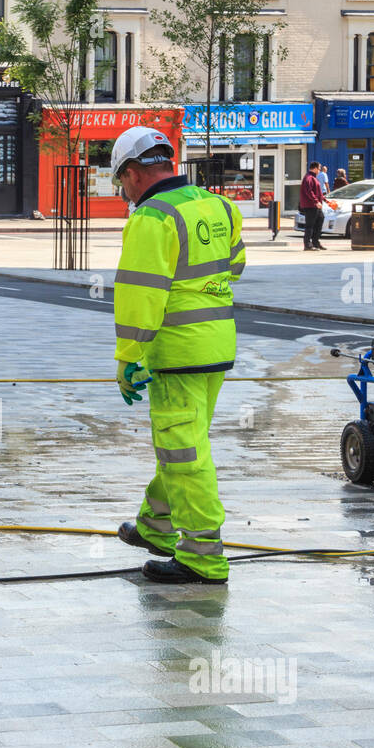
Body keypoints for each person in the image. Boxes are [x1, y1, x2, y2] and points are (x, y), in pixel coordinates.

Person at [109, 126, 243, 586]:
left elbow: (140, 294)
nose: (123, 192)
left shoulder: (152, 217)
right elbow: (236, 264)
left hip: (178, 354)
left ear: (132, 173)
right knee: (184, 444)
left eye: (120, 182)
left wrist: (127, 358)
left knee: (185, 456)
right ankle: (157, 528)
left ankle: (202, 557)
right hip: (217, 345)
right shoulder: (218, 205)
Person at [299, 161, 326, 251]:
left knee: (320, 221)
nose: (319, 170)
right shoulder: (308, 178)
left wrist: (326, 201)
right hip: (310, 206)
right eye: (319, 168)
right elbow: (309, 191)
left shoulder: (314, 178)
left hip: (316, 206)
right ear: (314, 168)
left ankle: (315, 242)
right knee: (310, 225)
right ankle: (307, 245)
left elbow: (318, 193)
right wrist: (316, 201)